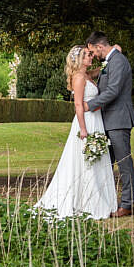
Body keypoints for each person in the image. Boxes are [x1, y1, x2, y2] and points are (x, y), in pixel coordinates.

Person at [34, 45, 117, 219]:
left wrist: (111, 55)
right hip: (86, 121)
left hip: (96, 120)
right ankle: (86, 200)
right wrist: (83, 129)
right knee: (85, 161)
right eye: (87, 55)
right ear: (79, 59)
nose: (91, 56)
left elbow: (99, 69)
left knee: (97, 159)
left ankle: (99, 198)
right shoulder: (79, 78)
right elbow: (78, 105)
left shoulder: (86, 74)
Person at [84, 31, 134, 217]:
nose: (93, 56)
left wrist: (88, 105)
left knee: (124, 164)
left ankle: (127, 205)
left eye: (93, 51)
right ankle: (107, 202)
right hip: (107, 120)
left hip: (119, 120)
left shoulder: (118, 61)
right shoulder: (110, 61)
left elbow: (113, 91)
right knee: (106, 164)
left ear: (99, 46)